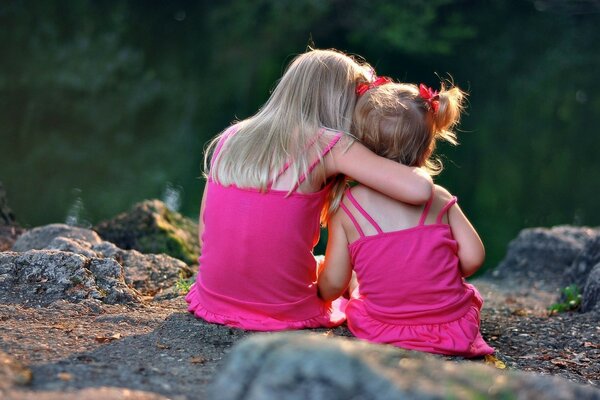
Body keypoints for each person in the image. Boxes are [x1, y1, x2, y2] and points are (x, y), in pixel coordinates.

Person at [185, 49, 433, 331]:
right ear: (341, 102)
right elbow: (420, 190)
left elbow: (205, 233)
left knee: (318, 264)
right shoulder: (330, 144)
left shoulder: (233, 136)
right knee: (345, 274)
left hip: (214, 299)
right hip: (285, 310)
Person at [318, 79, 494, 356]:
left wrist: (318, 286)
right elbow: (473, 258)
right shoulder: (439, 197)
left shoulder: (347, 208)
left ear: (360, 146)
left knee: (357, 287)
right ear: (426, 148)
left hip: (382, 328)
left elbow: (333, 285)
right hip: (452, 327)